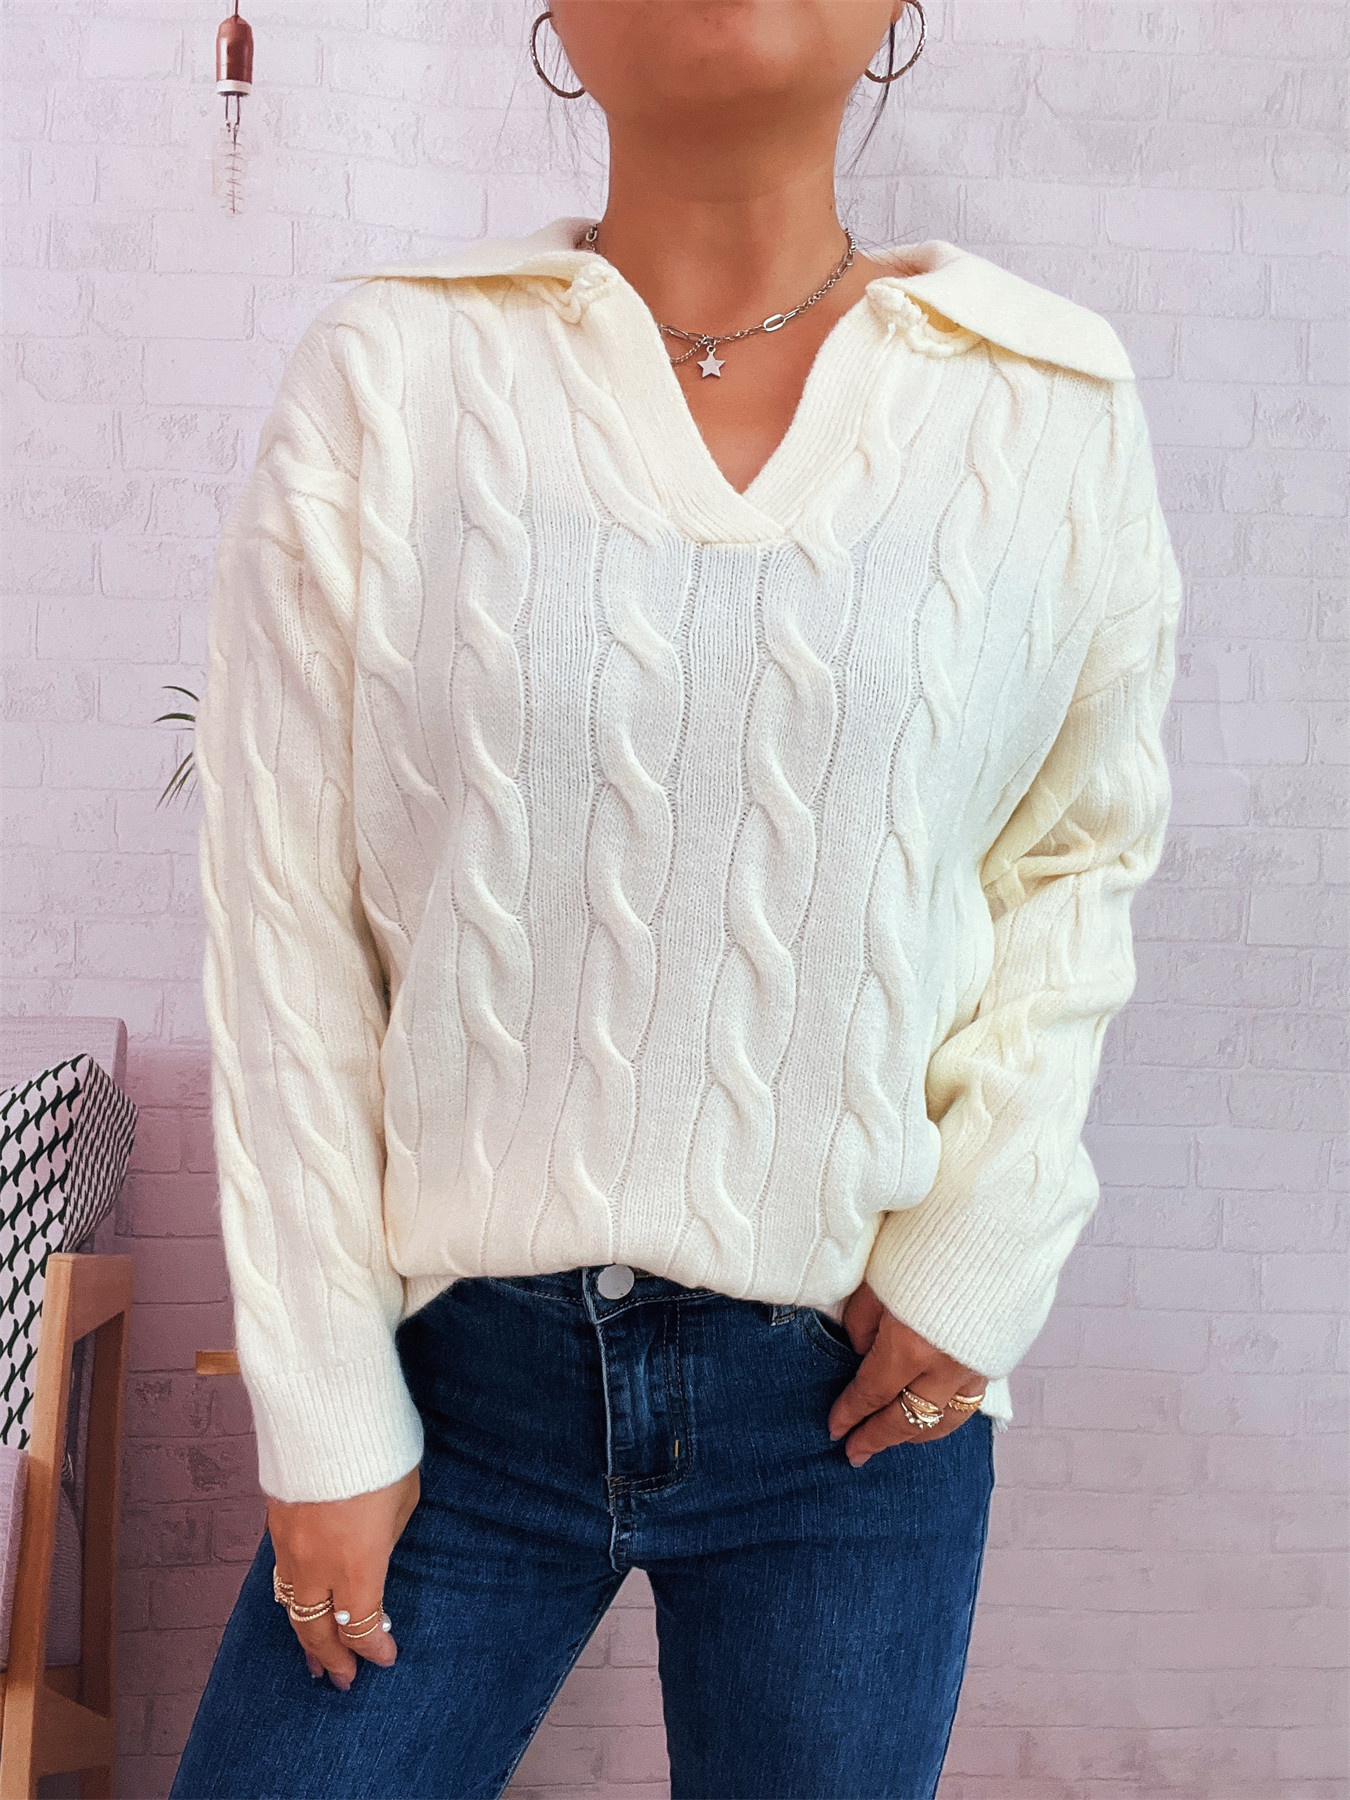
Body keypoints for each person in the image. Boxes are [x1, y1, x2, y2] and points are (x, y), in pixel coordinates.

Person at [169, 2, 1182, 1796]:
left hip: (851, 1399)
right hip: (450, 1388)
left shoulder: (1047, 404)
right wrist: (319, 1406)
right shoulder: (388, 379)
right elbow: (281, 918)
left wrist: (984, 1251)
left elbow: (1069, 860)